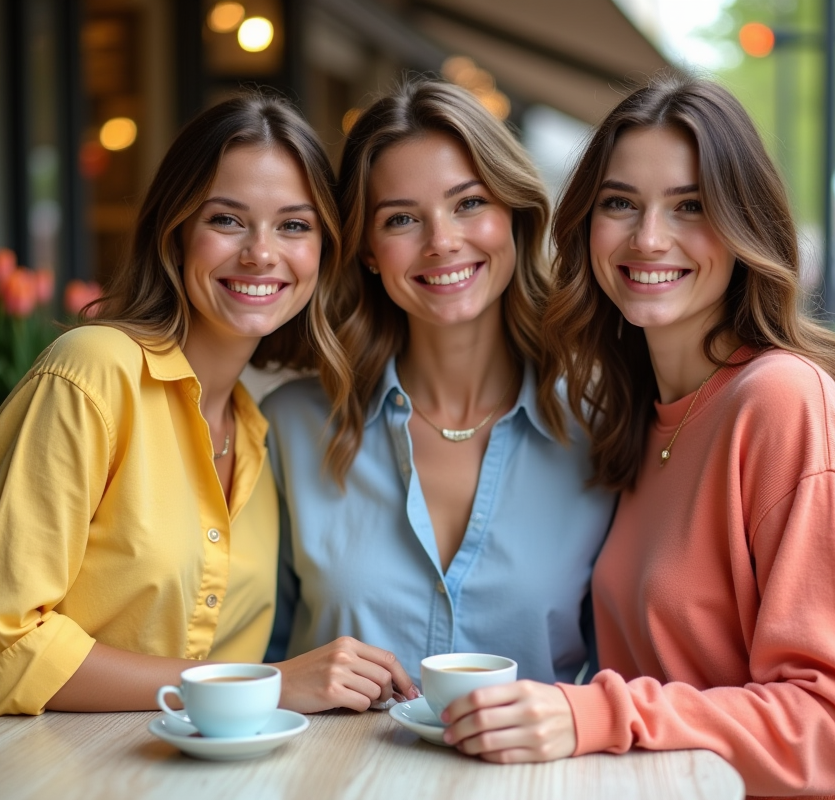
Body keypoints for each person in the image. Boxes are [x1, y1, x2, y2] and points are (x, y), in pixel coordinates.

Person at [440, 76, 835, 799]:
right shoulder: (632, 418)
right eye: (620, 204)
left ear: (745, 228)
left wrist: (596, 714)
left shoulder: (780, 400)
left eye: (691, 207)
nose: (649, 238)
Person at [0, 92, 415, 745]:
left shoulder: (257, 430)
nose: (261, 253)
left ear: (325, 254)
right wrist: (268, 681)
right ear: (175, 232)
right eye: (227, 220)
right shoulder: (91, 373)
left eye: (294, 225)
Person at [260, 79, 615, 689]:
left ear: (514, 216)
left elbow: (625, 667)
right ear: (368, 249)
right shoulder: (292, 428)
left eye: (469, 203)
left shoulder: (602, 429)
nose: (442, 241)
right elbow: (251, 660)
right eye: (401, 218)